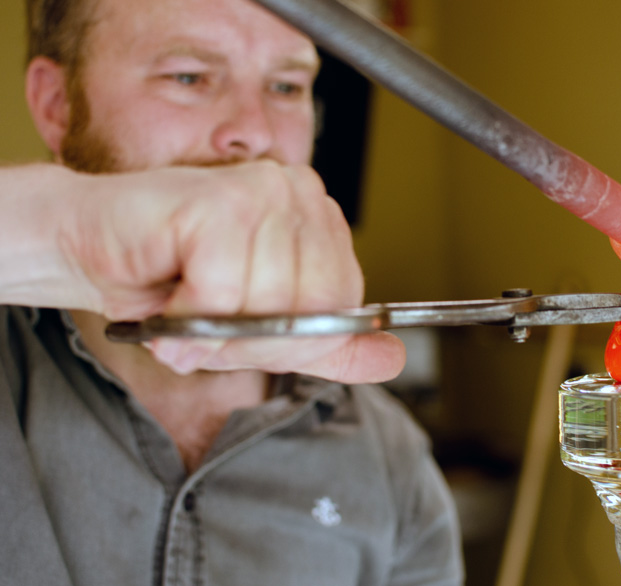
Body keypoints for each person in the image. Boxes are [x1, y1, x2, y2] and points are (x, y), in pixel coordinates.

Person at [0, 0, 464, 584]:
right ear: (57, 105)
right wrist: (72, 232)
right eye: (188, 77)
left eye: (287, 85)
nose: (255, 133)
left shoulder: (393, 467)